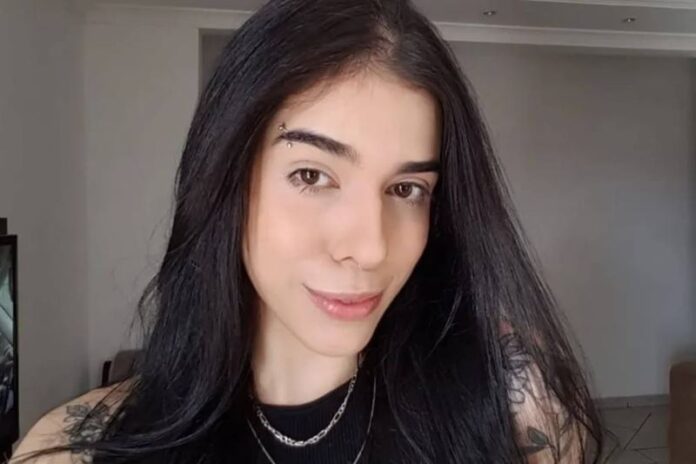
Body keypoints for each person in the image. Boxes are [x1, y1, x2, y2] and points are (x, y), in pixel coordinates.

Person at [11, 0, 606, 462]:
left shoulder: (520, 404)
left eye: (406, 189)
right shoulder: (76, 450)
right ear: (225, 179)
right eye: (312, 175)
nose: (369, 248)